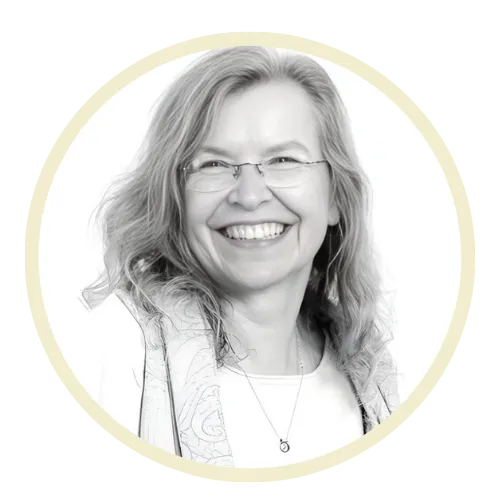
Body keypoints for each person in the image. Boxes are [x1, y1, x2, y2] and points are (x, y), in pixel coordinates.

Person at [79, 46, 399, 469]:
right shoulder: (119, 343)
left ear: (336, 196)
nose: (249, 196)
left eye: (283, 160)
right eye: (213, 164)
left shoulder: (370, 373)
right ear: (175, 198)